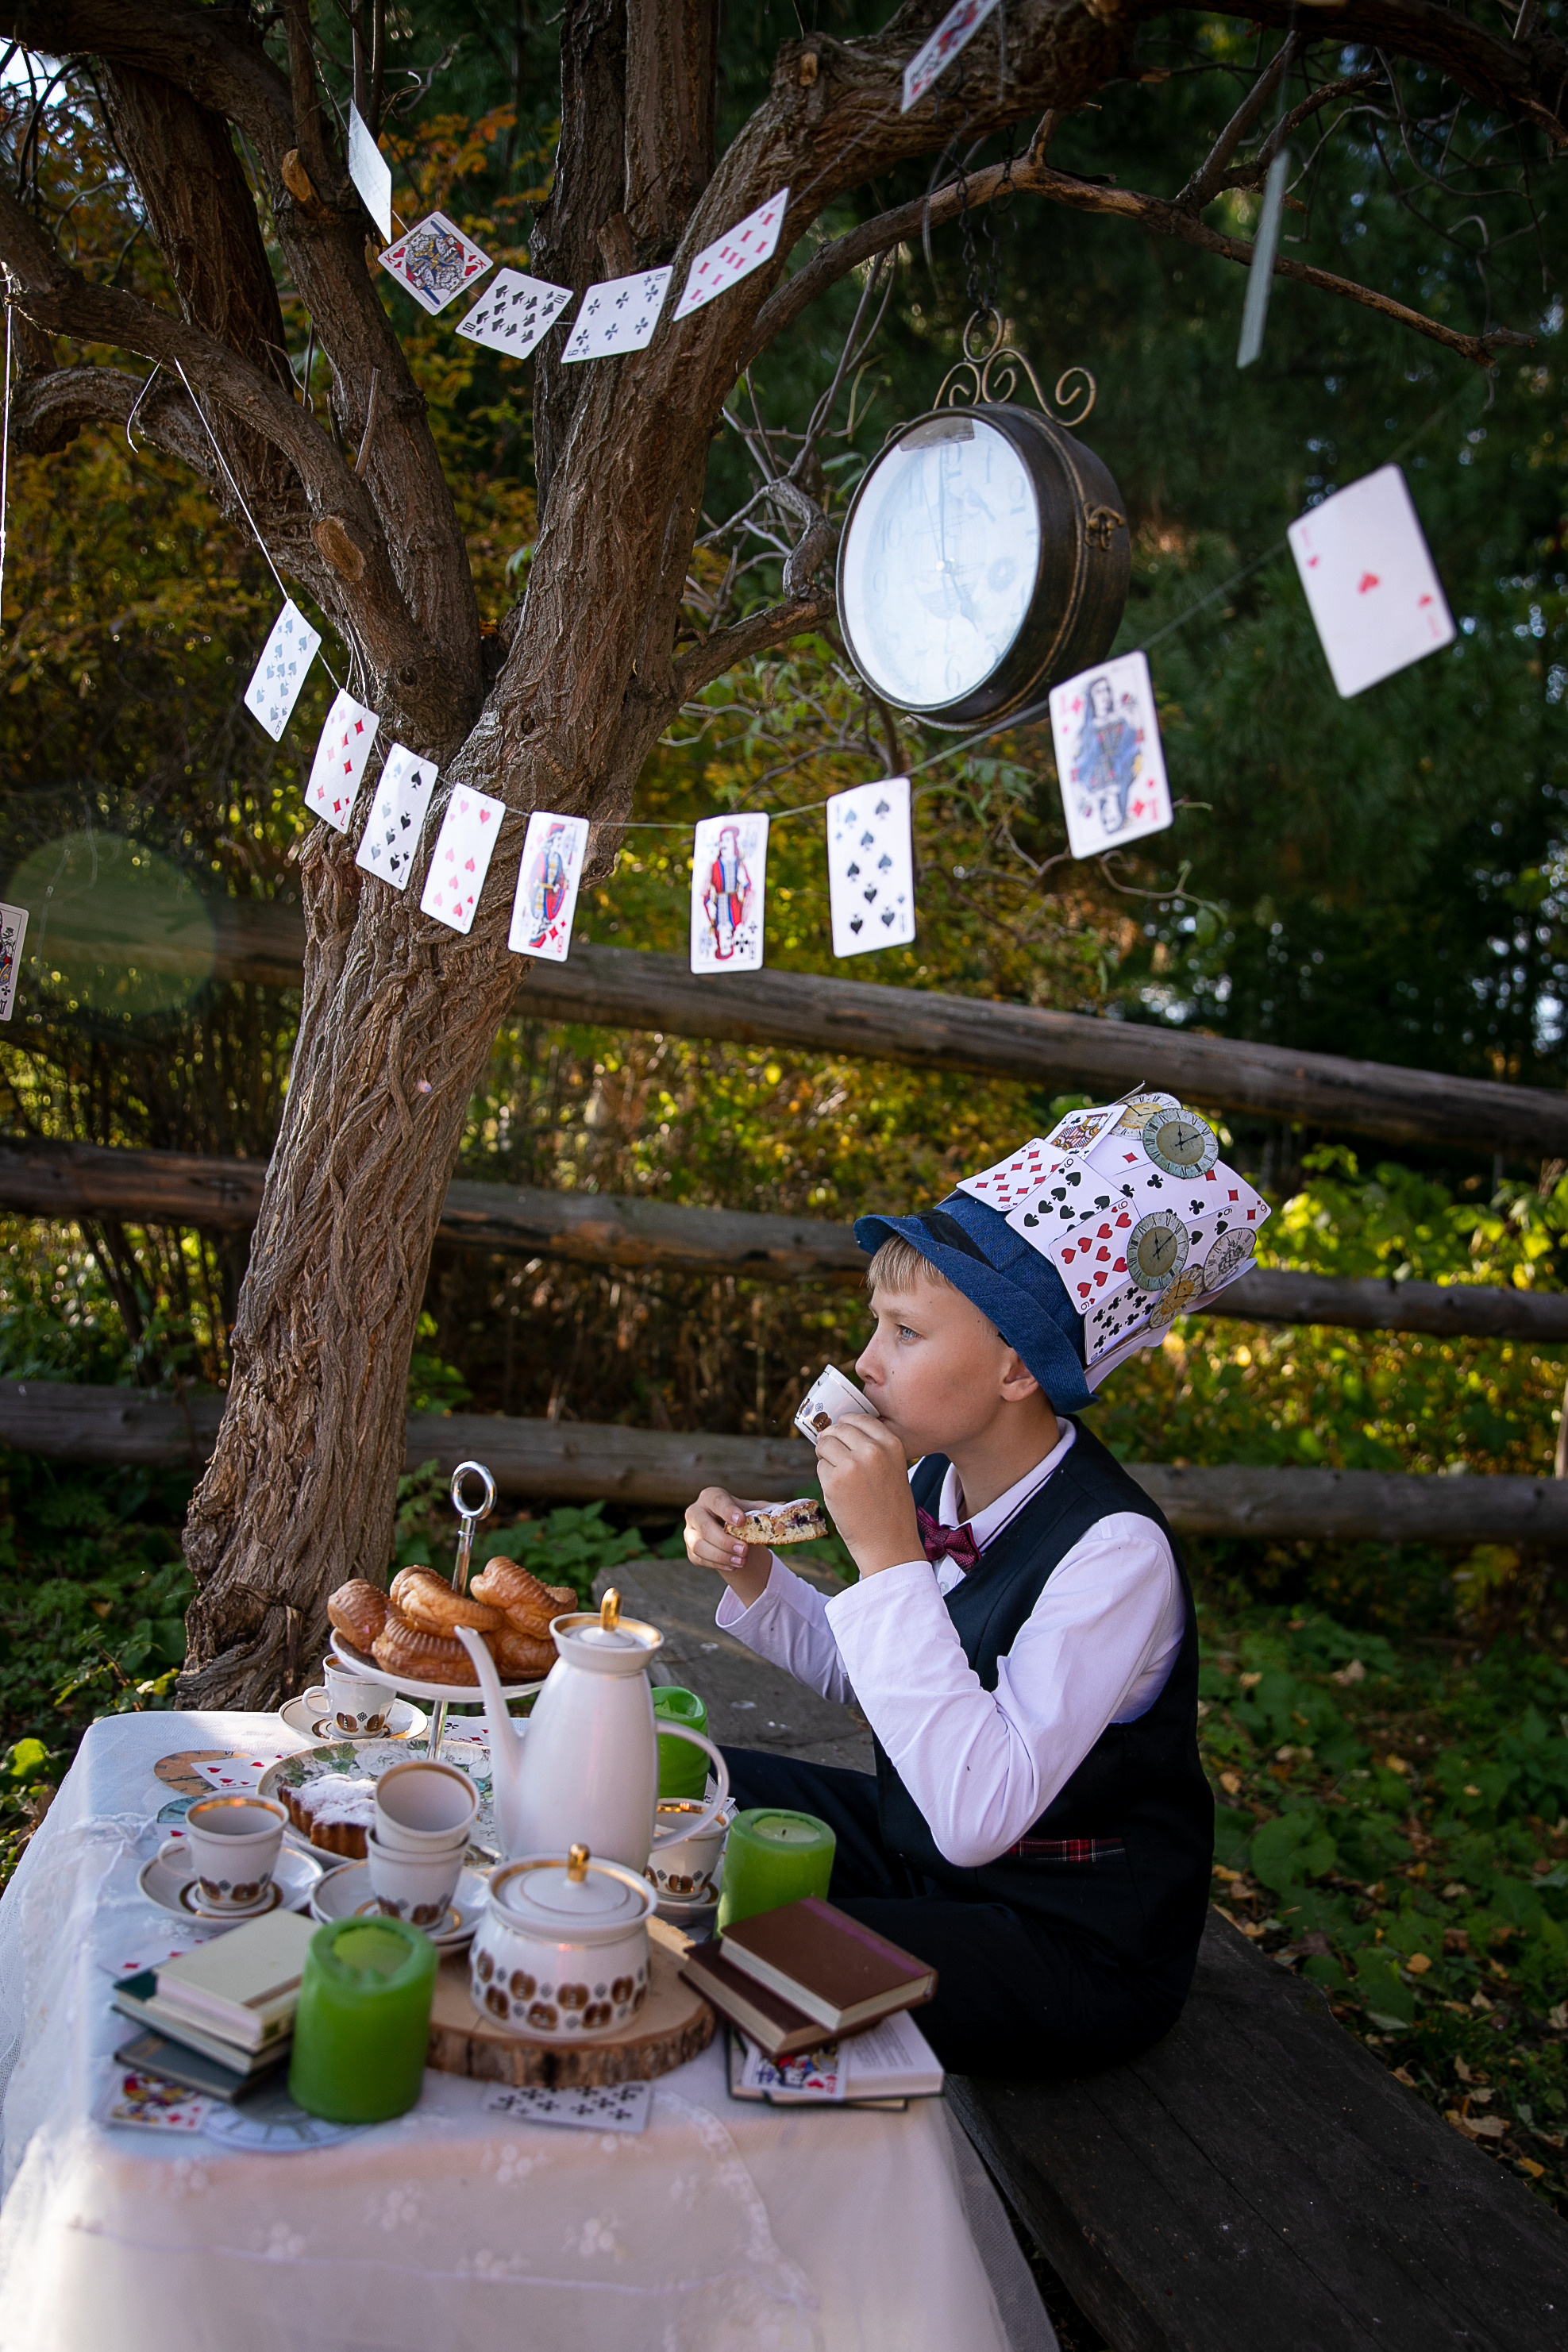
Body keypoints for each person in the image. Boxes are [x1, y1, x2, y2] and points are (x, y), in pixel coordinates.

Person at [683, 1177, 1213, 2079]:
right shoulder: (938, 1484)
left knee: (755, 1963)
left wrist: (887, 1557)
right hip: (921, 1851)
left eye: (906, 1332)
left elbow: (977, 1813)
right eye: (875, 1324)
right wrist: (760, 1575)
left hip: (1068, 1940)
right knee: (691, 1783)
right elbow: (885, 1687)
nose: (867, 1362)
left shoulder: (1113, 1551)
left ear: (1015, 1368)